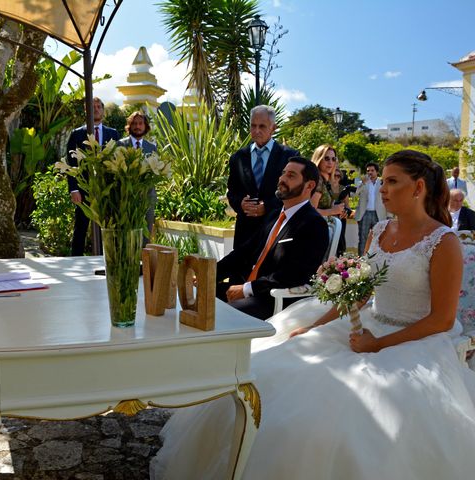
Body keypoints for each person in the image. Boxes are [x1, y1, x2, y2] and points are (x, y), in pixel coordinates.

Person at [150, 150, 475, 480]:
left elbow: (442, 319)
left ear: (419, 187)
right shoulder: (379, 231)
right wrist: (316, 326)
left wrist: (377, 345)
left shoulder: (442, 242)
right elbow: (360, 294)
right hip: (368, 325)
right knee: (273, 371)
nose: (383, 189)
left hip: (417, 340)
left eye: (392, 182)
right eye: (385, 181)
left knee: (343, 413)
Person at [216, 156, 329, 320]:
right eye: (283, 173)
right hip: (248, 287)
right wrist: (210, 274)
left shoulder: (314, 224)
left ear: (309, 185)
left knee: (221, 314)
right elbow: (243, 252)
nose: (282, 179)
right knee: (201, 295)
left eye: (291, 176)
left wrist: (247, 289)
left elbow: (294, 274)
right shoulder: (274, 215)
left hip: (274, 299)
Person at [227, 105, 299, 249]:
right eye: (253, 126)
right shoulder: (238, 157)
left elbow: (294, 194)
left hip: (276, 233)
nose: (256, 131)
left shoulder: (290, 157)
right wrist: (240, 204)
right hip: (244, 235)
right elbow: (232, 192)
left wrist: (267, 206)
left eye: (262, 126)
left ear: (273, 127)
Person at [66, 97, 120, 256]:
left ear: (103, 110)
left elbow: (117, 161)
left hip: (106, 189)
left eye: (98, 106)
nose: (95, 109)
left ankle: (107, 259)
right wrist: (73, 189)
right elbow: (71, 163)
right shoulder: (76, 134)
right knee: (81, 228)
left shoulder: (114, 134)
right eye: (92, 107)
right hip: (83, 189)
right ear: (86, 111)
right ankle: (75, 260)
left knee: (107, 227)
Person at [117, 111, 157, 240]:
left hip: (147, 196)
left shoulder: (152, 148)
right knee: (127, 235)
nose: (137, 126)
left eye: (140, 123)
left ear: (145, 126)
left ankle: (143, 259)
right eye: (134, 123)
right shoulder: (120, 145)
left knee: (146, 233)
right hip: (126, 196)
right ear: (129, 126)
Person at [355, 161, 386, 254]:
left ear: (377, 172)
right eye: (368, 171)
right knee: (363, 238)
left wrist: (389, 215)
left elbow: (388, 198)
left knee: (378, 238)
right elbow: (355, 194)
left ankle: (376, 259)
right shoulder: (362, 183)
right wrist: (363, 183)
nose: (370, 172)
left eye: (372, 170)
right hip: (365, 214)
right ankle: (360, 261)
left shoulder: (382, 182)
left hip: (379, 214)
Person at [330, 166, 353, 255]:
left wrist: (346, 212)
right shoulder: (325, 188)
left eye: (338, 176)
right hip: (326, 217)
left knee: (339, 240)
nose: (336, 177)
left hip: (340, 219)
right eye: (334, 175)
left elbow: (348, 207)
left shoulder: (343, 189)